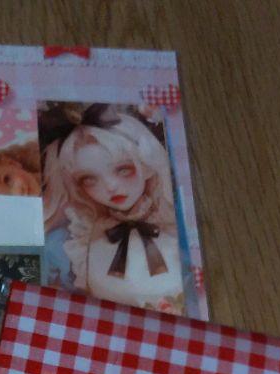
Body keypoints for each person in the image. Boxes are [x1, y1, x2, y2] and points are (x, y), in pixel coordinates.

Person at [41, 103, 184, 311]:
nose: (110, 186)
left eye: (123, 170)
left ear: (146, 165)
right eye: (89, 180)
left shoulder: (174, 222)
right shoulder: (84, 236)